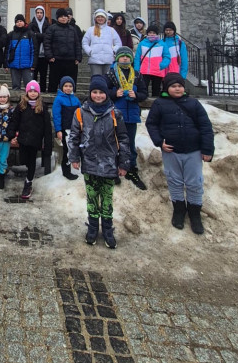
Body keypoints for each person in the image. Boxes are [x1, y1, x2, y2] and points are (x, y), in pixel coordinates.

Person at [145, 72, 214, 234]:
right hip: (171, 150)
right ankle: (179, 209)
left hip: (193, 150)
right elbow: (151, 124)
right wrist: (159, 142)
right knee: (174, 180)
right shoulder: (159, 104)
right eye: (173, 86)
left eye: (180, 86)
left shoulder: (193, 103)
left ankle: (195, 213)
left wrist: (207, 149)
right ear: (166, 88)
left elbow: (205, 127)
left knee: (194, 182)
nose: (177, 89)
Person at [68, 74, 131, 249]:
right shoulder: (80, 113)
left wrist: (124, 163)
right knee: (92, 197)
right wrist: (74, 157)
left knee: (107, 198)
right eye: (94, 92)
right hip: (89, 162)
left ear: (106, 94)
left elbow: (123, 139)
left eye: (101, 92)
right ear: (90, 93)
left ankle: (108, 229)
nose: (98, 95)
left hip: (110, 163)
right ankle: (93, 227)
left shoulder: (115, 113)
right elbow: (74, 136)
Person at [106, 47, 148, 190]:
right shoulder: (111, 74)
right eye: (122, 56)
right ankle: (114, 168)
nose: (125, 59)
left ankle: (131, 168)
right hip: (116, 113)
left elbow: (144, 92)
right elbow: (103, 91)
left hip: (132, 114)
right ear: (117, 58)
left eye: (127, 56)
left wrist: (136, 96)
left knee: (130, 143)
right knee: (114, 141)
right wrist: (114, 93)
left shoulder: (136, 74)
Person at [7, 80, 52, 200]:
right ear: (27, 92)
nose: (32, 93)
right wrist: (11, 134)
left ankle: (28, 182)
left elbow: (47, 127)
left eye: (35, 91)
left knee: (31, 162)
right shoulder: (22, 106)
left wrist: (47, 144)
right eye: (30, 91)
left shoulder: (42, 107)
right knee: (24, 160)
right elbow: (14, 121)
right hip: (23, 139)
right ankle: (28, 174)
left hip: (35, 140)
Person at [44, 8, 83, 91]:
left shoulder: (72, 29)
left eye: (65, 16)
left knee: (70, 83)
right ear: (57, 18)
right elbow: (47, 43)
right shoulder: (52, 28)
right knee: (53, 84)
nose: (63, 18)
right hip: (56, 61)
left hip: (71, 61)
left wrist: (78, 58)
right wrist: (50, 56)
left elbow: (77, 44)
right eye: (61, 16)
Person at [52, 76, 81, 180]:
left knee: (75, 148)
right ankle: (66, 171)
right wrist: (58, 130)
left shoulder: (76, 100)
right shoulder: (59, 99)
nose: (68, 88)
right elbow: (56, 115)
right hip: (65, 130)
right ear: (61, 87)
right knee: (67, 150)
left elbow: (80, 114)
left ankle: (76, 167)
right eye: (66, 86)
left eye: (70, 86)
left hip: (76, 129)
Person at [82, 9, 123, 76]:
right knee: (96, 80)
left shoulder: (111, 30)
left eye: (102, 17)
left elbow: (118, 43)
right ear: (95, 18)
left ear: (105, 18)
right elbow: (84, 43)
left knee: (108, 80)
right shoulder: (90, 30)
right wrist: (90, 51)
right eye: (98, 17)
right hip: (95, 60)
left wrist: (113, 51)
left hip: (109, 60)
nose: (100, 19)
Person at [5, 14, 37, 90]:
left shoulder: (30, 34)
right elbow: (7, 50)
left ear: (24, 22)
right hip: (14, 65)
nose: (19, 23)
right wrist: (6, 64)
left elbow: (34, 50)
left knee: (29, 87)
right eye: (17, 21)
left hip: (27, 65)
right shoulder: (11, 34)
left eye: (21, 21)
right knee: (15, 87)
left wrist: (33, 64)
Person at [134, 24, 165, 97]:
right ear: (147, 33)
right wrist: (136, 69)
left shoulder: (162, 44)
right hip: (145, 70)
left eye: (154, 33)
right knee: (144, 88)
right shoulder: (142, 43)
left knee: (156, 89)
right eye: (150, 32)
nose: (152, 34)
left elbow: (167, 56)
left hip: (157, 70)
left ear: (157, 34)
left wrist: (162, 65)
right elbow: (137, 57)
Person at [29, 6, 51, 92]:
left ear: (43, 14)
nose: (39, 14)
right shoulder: (31, 25)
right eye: (37, 13)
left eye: (41, 13)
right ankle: (33, 91)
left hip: (44, 54)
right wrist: (42, 36)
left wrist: (37, 35)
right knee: (33, 75)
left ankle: (42, 91)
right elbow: (32, 36)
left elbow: (48, 36)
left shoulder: (48, 25)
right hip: (35, 54)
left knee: (43, 75)